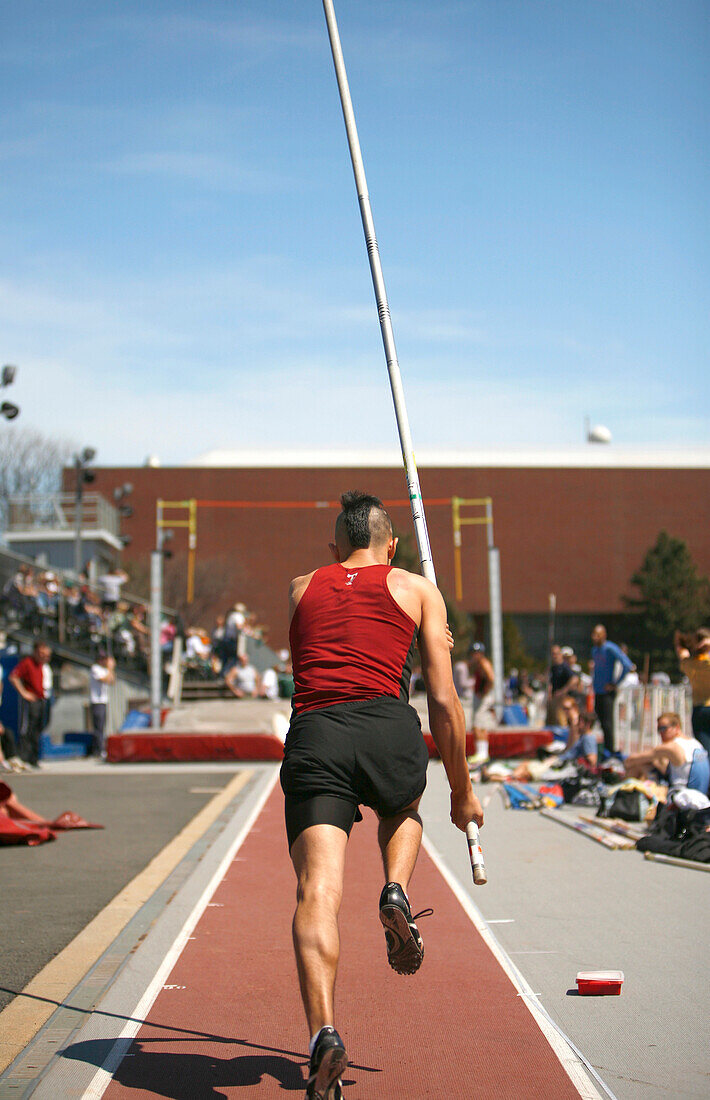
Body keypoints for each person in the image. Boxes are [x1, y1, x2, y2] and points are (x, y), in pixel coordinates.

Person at [280, 490, 482, 1099]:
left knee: (317, 891)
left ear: (333, 547)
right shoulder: (417, 587)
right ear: (392, 545)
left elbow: (324, 646)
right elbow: (444, 703)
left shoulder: (299, 586)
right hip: (387, 725)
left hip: (317, 732)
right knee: (403, 807)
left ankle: (324, 1034)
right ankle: (395, 888)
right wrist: (462, 793)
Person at [624, 712, 709, 794]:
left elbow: (630, 760)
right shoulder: (695, 744)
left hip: (680, 795)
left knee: (638, 766)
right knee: (652, 764)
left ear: (677, 727)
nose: (660, 733)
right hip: (700, 794)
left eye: (663, 728)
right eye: (659, 729)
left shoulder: (671, 747)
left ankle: (624, 799)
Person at [590, 624, 634, 754]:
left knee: (608, 723)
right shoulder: (594, 650)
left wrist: (615, 683)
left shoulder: (610, 648)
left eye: (597, 635)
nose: (594, 637)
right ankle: (604, 747)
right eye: (593, 634)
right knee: (600, 721)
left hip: (607, 691)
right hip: (597, 690)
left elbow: (627, 665)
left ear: (604, 635)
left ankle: (611, 750)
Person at [9, 642, 52, 769]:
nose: (44, 657)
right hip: (30, 701)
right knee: (27, 729)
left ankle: (34, 758)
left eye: (46, 655)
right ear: (35, 652)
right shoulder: (27, 662)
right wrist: (24, 693)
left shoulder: (43, 666)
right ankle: (24, 757)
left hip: (41, 700)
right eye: (41, 654)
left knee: (37, 729)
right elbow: (13, 677)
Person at [675, 628, 710, 756]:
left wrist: (682, 641)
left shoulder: (689, 664)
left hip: (699, 710)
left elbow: (681, 652)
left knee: (706, 748)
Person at [89, 652, 115, 756]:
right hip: (97, 701)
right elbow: (105, 680)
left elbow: (112, 681)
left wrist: (110, 669)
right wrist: (110, 668)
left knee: (102, 726)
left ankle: (100, 748)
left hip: (103, 701)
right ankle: (98, 750)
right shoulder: (95, 668)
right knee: (98, 727)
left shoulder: (104, 670)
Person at [470, 643, 496, 729]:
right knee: (480, 725)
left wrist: (484, 692)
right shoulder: (479, 664)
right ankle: (481, 742)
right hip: (480, 696)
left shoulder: (484, 663)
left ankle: (481, 742)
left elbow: (491, 679)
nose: (474, 655)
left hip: (482, 697)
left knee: (478, 725)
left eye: (477, 653)